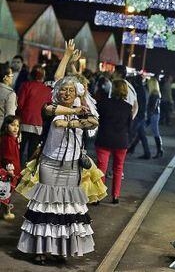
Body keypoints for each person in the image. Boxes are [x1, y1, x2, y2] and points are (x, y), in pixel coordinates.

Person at [17, 75, 99, 263]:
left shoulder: (81, 109)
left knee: (66, 209)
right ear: (57, 91)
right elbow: (51, 112)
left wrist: (70, 121)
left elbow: (93, 122)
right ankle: (40, 249)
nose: (67, 92)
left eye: (71, 90)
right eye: (63, 89)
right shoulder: (49, 107)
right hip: (49, 163)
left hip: (72, 166)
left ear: (77, 92)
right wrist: (75, 112)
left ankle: (61, 248)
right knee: (45, 207)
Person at [95, 79, 131, 204]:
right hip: (121, 141)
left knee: (101, 169)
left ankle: (99, 195)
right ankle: (115, 196)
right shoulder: (128, 107)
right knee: (118, 168)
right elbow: (129, 126)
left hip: (104, 139)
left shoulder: (103, 103)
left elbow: (97, 119)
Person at [17, 65, 53, 164]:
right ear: (43, 77)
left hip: (24, 121)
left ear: (31, 75)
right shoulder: (48, 90)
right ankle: (28, 175)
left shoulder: (26, 85)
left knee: (20, 150)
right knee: (32, 153)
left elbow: (20, 104)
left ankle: (16, 172)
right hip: (38, 124)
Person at [0, 115, 21, 220]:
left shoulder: (11, 139)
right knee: (6, 192)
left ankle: (5, 211)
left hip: (9, 170)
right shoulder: (8, 140)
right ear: (6, 125)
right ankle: (6, 212)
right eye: (12, 125)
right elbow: (8, 156)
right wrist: (10, 169)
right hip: (7, 171)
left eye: (17, 125)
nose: (15, 128)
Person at [127, 75, 151, 159]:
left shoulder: (138, 90)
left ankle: (123, 149)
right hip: (143, 115)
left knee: (131, 133)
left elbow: (136, 104)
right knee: (142, 135)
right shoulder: (145, 89)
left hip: (138, 115)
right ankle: (147, 153)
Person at [147, 77, 164, 158]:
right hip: (155, 114)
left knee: (155, 132)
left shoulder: (154, 94)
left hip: (153, 114)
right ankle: (159, 150)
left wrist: (148, 116)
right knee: (154, 131)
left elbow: (152, 107)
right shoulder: (157, 93)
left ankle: (159, 150)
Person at [0, 62, 17, 127]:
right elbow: (10, 117)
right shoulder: (10, 94)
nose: (12, 77)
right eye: (11, 75)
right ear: (5, 77)